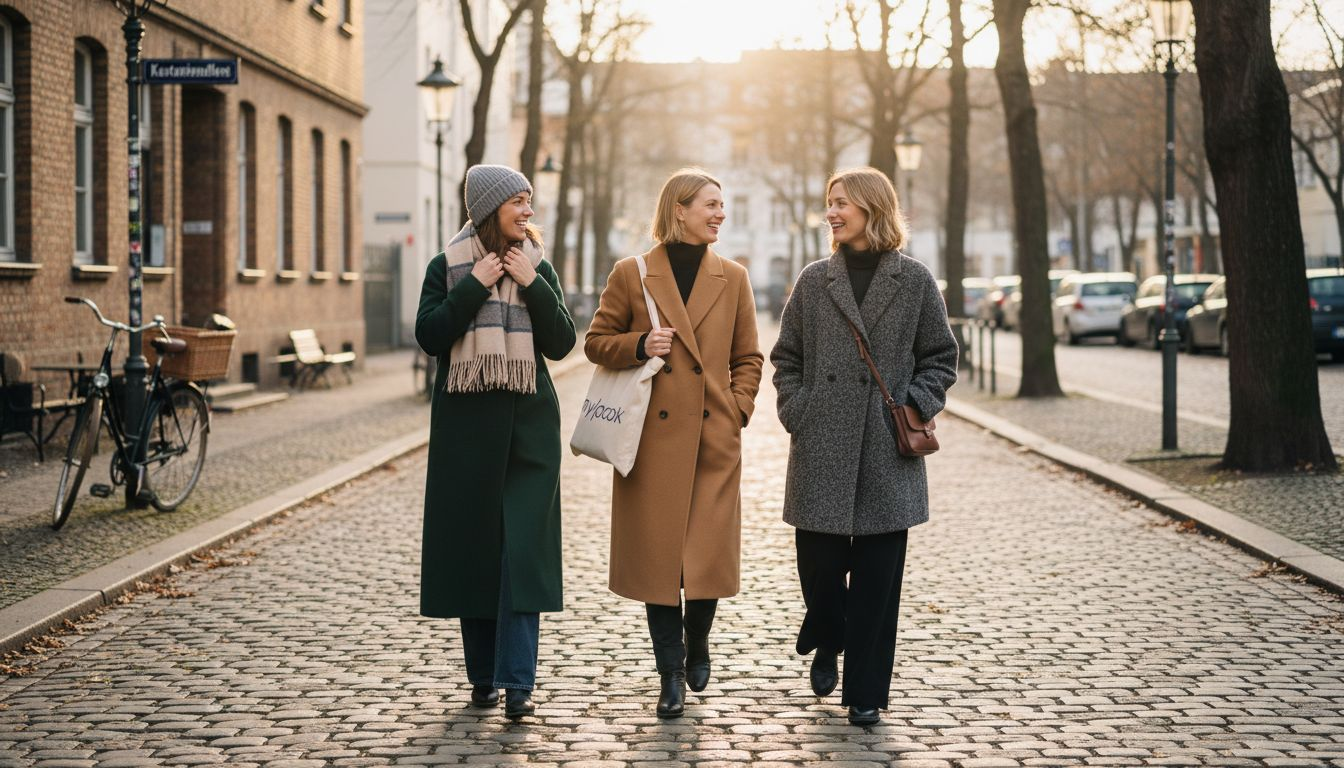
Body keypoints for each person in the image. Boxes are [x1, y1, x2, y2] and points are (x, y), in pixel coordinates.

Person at [771, 167, 958, 726]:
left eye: (841, 203)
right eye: (829, 202)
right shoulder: (813, 280)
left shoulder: (915, 281)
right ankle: (827, 632)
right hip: (821, 441)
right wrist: (796, 410)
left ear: (873, 208)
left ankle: (867, 693)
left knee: (878, 585)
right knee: (819, 572)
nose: (831, 212)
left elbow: (940, 358)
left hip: (885, 449)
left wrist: (915, 403)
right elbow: (787, 358)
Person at [585, 168, 763, 719]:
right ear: (679, 208)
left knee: (704, 556)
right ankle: (671, 674)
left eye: (722, 204)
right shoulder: (632, 272)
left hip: (713, 438)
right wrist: (640, 344)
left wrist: (737, 408)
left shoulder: (732, 277)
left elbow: (749, 357)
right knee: (658, 563)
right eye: (710, 204)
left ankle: (699, 642)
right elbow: (595, 343)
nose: (720, 213)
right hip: (651, 443)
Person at [416, 164, 576, 720]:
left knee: (521, 554)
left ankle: (518, 683)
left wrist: (532, 286)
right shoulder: (447, 266)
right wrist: (473, 285)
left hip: (531, 431)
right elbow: (431, 335)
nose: (528, 211)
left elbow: (561, 344)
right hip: (466, 432)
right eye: (519, 202)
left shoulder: (538, 266)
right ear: (490, 208)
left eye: (530, 201)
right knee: (476, 551)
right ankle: (482, 676)